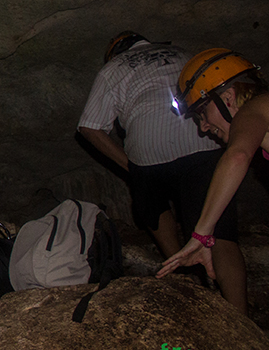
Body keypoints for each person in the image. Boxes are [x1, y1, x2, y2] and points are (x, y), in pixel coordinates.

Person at [78, 32, 248, 314]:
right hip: (200, 137)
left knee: (152, 206)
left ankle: (184, 275)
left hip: (147, 147)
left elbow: (88, 126)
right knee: (221, 235)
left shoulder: (113, 69)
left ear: (115, 53)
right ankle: (242, 320)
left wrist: (130, 166)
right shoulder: (182, 54)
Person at [157, 49, 269, 300]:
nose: (203, 127)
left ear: (228, 97)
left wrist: (201, 235)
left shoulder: (256, 109)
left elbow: (237, 157)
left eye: (202, 112)